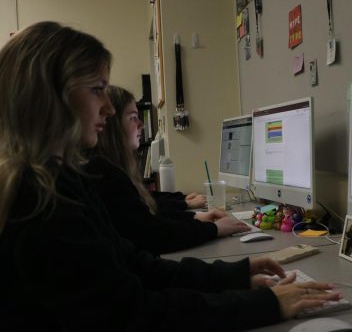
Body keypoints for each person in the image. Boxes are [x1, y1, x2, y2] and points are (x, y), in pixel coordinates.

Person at [0, 21, 340, 332]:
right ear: (50, 98)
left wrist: (236, 273)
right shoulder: (31, 196)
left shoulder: (58, 177)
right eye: (97, 89)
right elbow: (128, 317)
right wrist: (265, 304)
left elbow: (133, 266)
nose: (109, 108)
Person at [88, 85, 249, 255]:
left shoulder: (112, 170)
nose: (141, 124)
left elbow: (148, 208)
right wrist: (213, 229)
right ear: (113, 125)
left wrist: (193, 215)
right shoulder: (107, 177)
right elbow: (153, 233)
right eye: (133, 118)